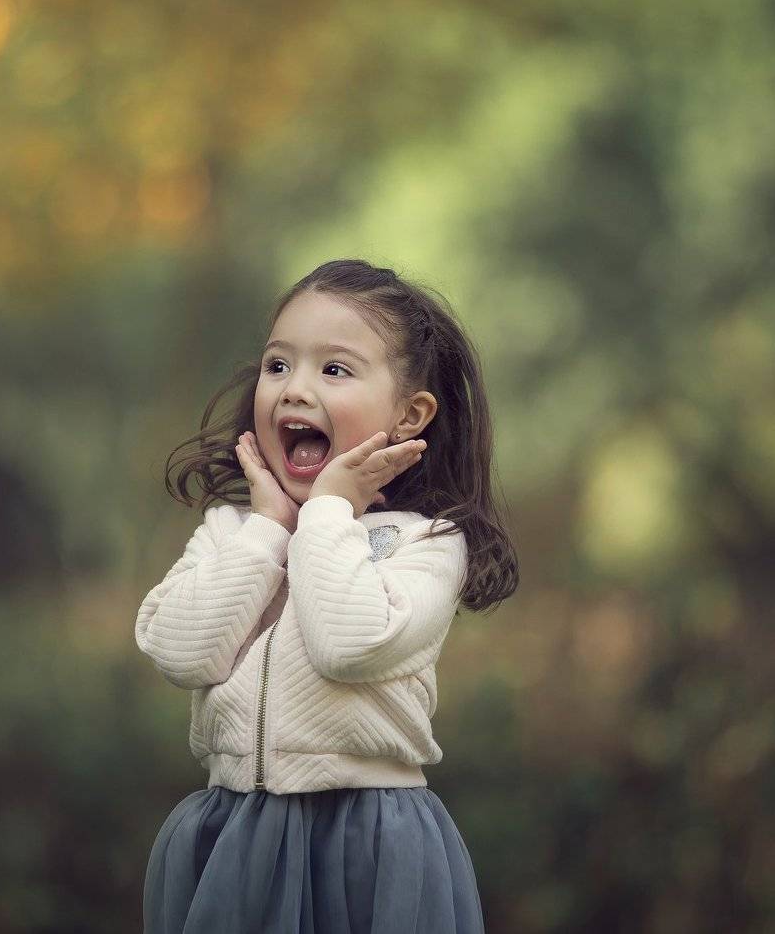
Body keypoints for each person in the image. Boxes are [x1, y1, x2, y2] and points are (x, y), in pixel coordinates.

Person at [135, 258, 519, 932]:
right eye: (278, 365)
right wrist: (267, 532)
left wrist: (326, 513)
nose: (294, 389)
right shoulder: (233, 532)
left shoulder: (425, 542)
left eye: (334, 369)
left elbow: (350, 645)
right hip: (232, 838)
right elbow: (180, 653)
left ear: (409, 415)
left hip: (366, 841)